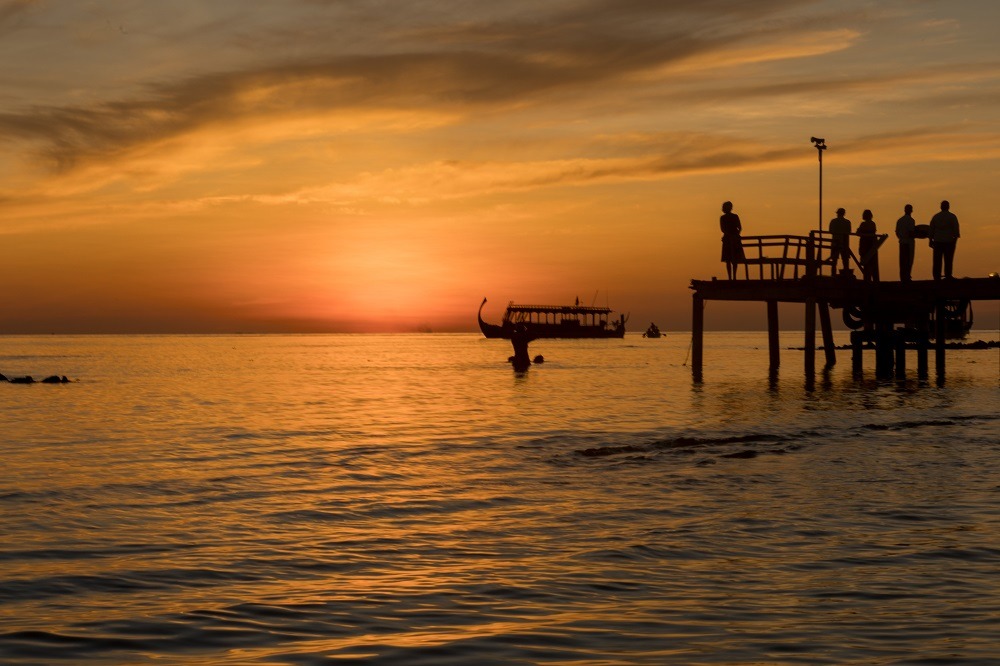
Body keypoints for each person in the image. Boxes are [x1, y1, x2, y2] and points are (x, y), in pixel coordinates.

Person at [928, 200, 960, 279]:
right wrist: (954, 242)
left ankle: (936, 276)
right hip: (949, 241)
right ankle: (948, 275)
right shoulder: (952, 217)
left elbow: (931, 229)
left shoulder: (936, 217)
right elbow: (956, 230)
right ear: (948, 207)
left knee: (937, 261)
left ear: (941, 207)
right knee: (948, 260)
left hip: (938, 241)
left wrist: (930, 240)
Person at [719, 201, 745, 279]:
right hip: (730, 238)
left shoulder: (732, 217)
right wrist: (735, 235)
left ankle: (732, 277)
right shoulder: (724, 217)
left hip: (731, 239)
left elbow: (739, 227)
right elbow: (723, 229)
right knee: (729, 260)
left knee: (732, 259)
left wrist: (734, 235)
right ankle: (731, 277)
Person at [856, 209, 880, 282]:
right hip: (872, 246)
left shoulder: (863, 224)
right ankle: (875, 280)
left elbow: (858, 233)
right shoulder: (873, 224)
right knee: (874, 265)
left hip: (865, 246)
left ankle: (867, 280)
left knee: (866, 265)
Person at [895, 204, 915, 281]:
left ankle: (902, 277)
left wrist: (901, 237)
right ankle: (907, 276)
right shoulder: (911, 220)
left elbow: (897, 232)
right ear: (911, 210)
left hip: (902, 242)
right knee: (909, 261)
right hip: (909, 243)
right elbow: (911, 233)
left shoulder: (900, 220)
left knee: (902, 261)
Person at [828, 207, 852, 273]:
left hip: (835, 243)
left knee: (834, 262)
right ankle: (846, 275)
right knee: (845, 261)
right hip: (845, 243)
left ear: (837, 213)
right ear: (844, 214)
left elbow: (830, 231)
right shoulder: (847, 222)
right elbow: (849, 232)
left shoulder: (833, 221)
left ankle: (833, 275)